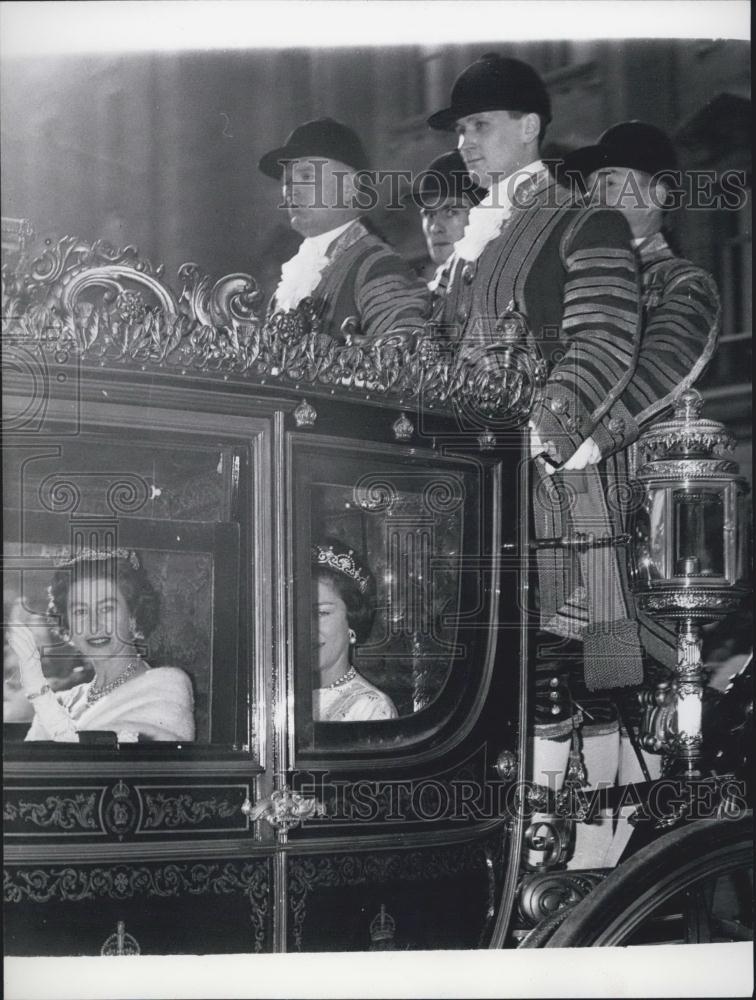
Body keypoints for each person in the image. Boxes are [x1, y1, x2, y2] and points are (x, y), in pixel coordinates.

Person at [427, 53, 646, 693]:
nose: (464, 143)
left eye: (479, 125)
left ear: (529, 127)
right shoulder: (470, 250)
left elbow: (603, 343)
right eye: (459, 130)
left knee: (573, 690)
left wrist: (536, 440)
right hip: (475, 487)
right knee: (486, 682)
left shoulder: (585, 220)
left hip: (561, 495)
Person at [259, 117, 430, 343]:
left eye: (306, 176)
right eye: (287, 181)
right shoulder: (293, 275)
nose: (292, 191)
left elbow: (402, 359)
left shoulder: (377, 267)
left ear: (349, 186)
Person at [7, 548, 195, 742]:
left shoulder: (165, 686)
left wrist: (38, 688)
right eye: (80, 611)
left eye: (107, 608)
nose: (94, 625)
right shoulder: (63, 701)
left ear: (133, 615)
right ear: (68, 625)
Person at [311, 538, 397, 722]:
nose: (308, 629)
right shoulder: (280, 697)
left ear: (352, 620)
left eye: (321, 613)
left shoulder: (372, 708)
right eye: (298, 614)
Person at [411, 149, 485, 297]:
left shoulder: (492, 289)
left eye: (451, 212)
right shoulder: (425, 298)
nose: (434, 228)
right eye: (430, 214)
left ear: (481, 214)